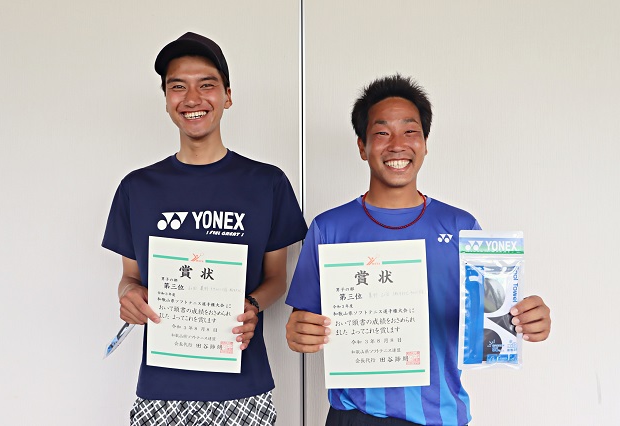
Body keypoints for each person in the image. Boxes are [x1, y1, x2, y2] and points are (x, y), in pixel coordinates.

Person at [285, 74, 551, 426]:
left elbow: (494, 319)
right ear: (362, 146)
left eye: (410, 131)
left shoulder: (462, 227)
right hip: (356, 417)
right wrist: (298, 332)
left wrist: (526, 319)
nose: (397, 144)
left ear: (424, 143)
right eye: (382, 133)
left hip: (440, 416)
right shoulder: (328, 228)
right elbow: (302, 321)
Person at [102, 32, 307, 425]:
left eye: (206, 85)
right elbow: (130, 278)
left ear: (227, 96)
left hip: (243, 387)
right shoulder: (137, 188)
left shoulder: (267, 183)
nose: (192, 99)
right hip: (161, 390)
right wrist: (129, 295)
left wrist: (252, 305)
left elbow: (277, 278)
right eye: (178, 87)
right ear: (166, 100)